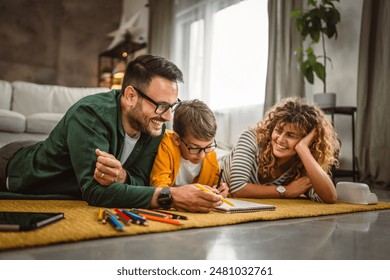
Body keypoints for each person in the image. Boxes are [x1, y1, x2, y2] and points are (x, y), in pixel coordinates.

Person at [0, 55, 223, 212]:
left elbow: (142, 179)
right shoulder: (89, 115)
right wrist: (171, 196)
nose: (168, 117)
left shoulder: (153, 128)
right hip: (14, 165)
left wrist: (124, 177)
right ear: (130, 96)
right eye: (161, 106)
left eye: (172, 106)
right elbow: (96, 192)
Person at [219, 97, 340, 204]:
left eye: (291, 135)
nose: (280, 139)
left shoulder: (301, 163)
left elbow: (329, 198)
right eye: (278, 131)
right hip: (208, 168)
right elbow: (238, 189)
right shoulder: (251, 138)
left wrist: (303, 150)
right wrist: (286, 191)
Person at [150, 99, 229, 197]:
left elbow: (215, 183)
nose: (202, 155)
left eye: (208, 146)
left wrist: (221, 189)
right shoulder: (167, 145)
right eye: (195, 148)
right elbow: (159, 186)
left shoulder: (210, 155)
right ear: (177, 139)